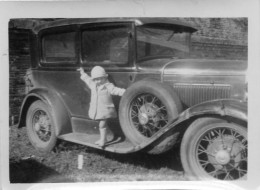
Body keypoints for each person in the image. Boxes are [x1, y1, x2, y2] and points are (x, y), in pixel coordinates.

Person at [78, 66, 126, 147]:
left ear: (105, 77)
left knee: (102, 125)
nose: (98, 81)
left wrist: (125, 92)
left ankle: (103, 141)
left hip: (105, 110)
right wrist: (82, 73)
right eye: (96, 79)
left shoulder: (108, 85)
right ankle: (103, 138)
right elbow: (87, 79)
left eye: (101, 79)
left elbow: (115, 90)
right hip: (98, 110)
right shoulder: (93, 85)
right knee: (101, 124)